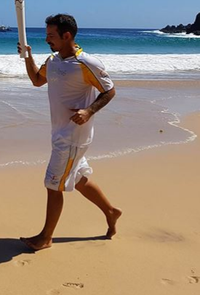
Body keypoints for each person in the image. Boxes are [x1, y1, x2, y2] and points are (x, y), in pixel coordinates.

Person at [18, 14, 122, 251]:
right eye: (46, 36)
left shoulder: (87, 63)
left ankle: (46, 237)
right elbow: (37, 80)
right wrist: (28, 57)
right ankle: (111, 211)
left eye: (51, 36)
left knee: (53, 184)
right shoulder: (53, 61)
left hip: (73, 134)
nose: (47, 40)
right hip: (59, 132)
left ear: (67, 36)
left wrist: (89, 110)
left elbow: (110, 91)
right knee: (78, 178)